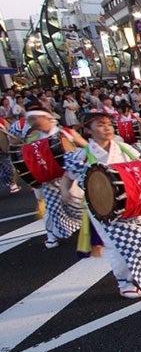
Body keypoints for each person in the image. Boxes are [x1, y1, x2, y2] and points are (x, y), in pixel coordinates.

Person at [61, 111, 141, 299]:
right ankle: (124, 280)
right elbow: (67, 178)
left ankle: (137, 270)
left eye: (109, 124)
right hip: (102, 208)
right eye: (100, 125)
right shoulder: (82, 155)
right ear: (88, 130)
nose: (107, 128)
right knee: (114, 243)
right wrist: (66, 194)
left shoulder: (125, 149)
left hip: (132, 202)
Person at [20, 102, 87, 248]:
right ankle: (51, 235)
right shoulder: (33, 137)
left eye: (35, 119)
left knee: (79, 205)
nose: (33, 123)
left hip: (69, 177)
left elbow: (87, 148)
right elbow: (29, 158)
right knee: (52, 209)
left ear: (46, 118)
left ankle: (91, 230)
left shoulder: (66, 133)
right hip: (49, 180)